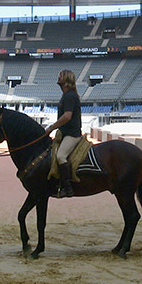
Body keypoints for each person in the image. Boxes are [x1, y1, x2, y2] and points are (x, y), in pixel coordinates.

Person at [45, 69, 82, 198]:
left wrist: (51, 128)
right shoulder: (66, 96)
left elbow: (67, 116)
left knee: (61, 156)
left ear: (66, 80)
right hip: (65, 133)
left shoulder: (70, 96)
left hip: (72, 134)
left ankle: (68, 188)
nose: (58, 77)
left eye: (61, 75)